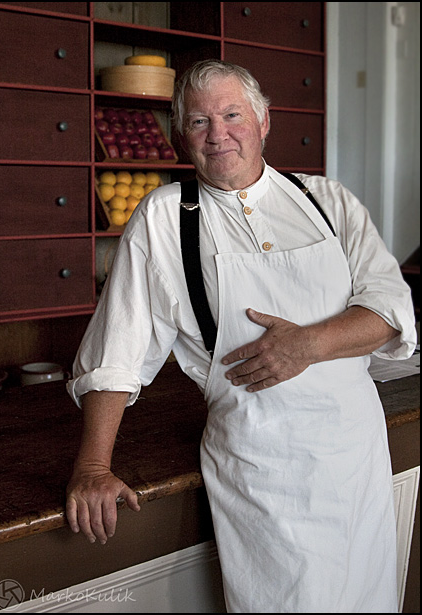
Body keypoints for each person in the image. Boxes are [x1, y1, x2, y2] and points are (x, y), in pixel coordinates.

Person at [66, 60, 417, 613]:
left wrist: (308, 344)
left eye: (232, 115)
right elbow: (117, 351)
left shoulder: (329, 202)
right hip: (260, 467)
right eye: (200, 121)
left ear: (263, 121)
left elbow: (391, 310)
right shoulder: (164, 219)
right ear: (183, 136)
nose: (218, 133)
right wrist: (92, 468)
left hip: (355, 458)